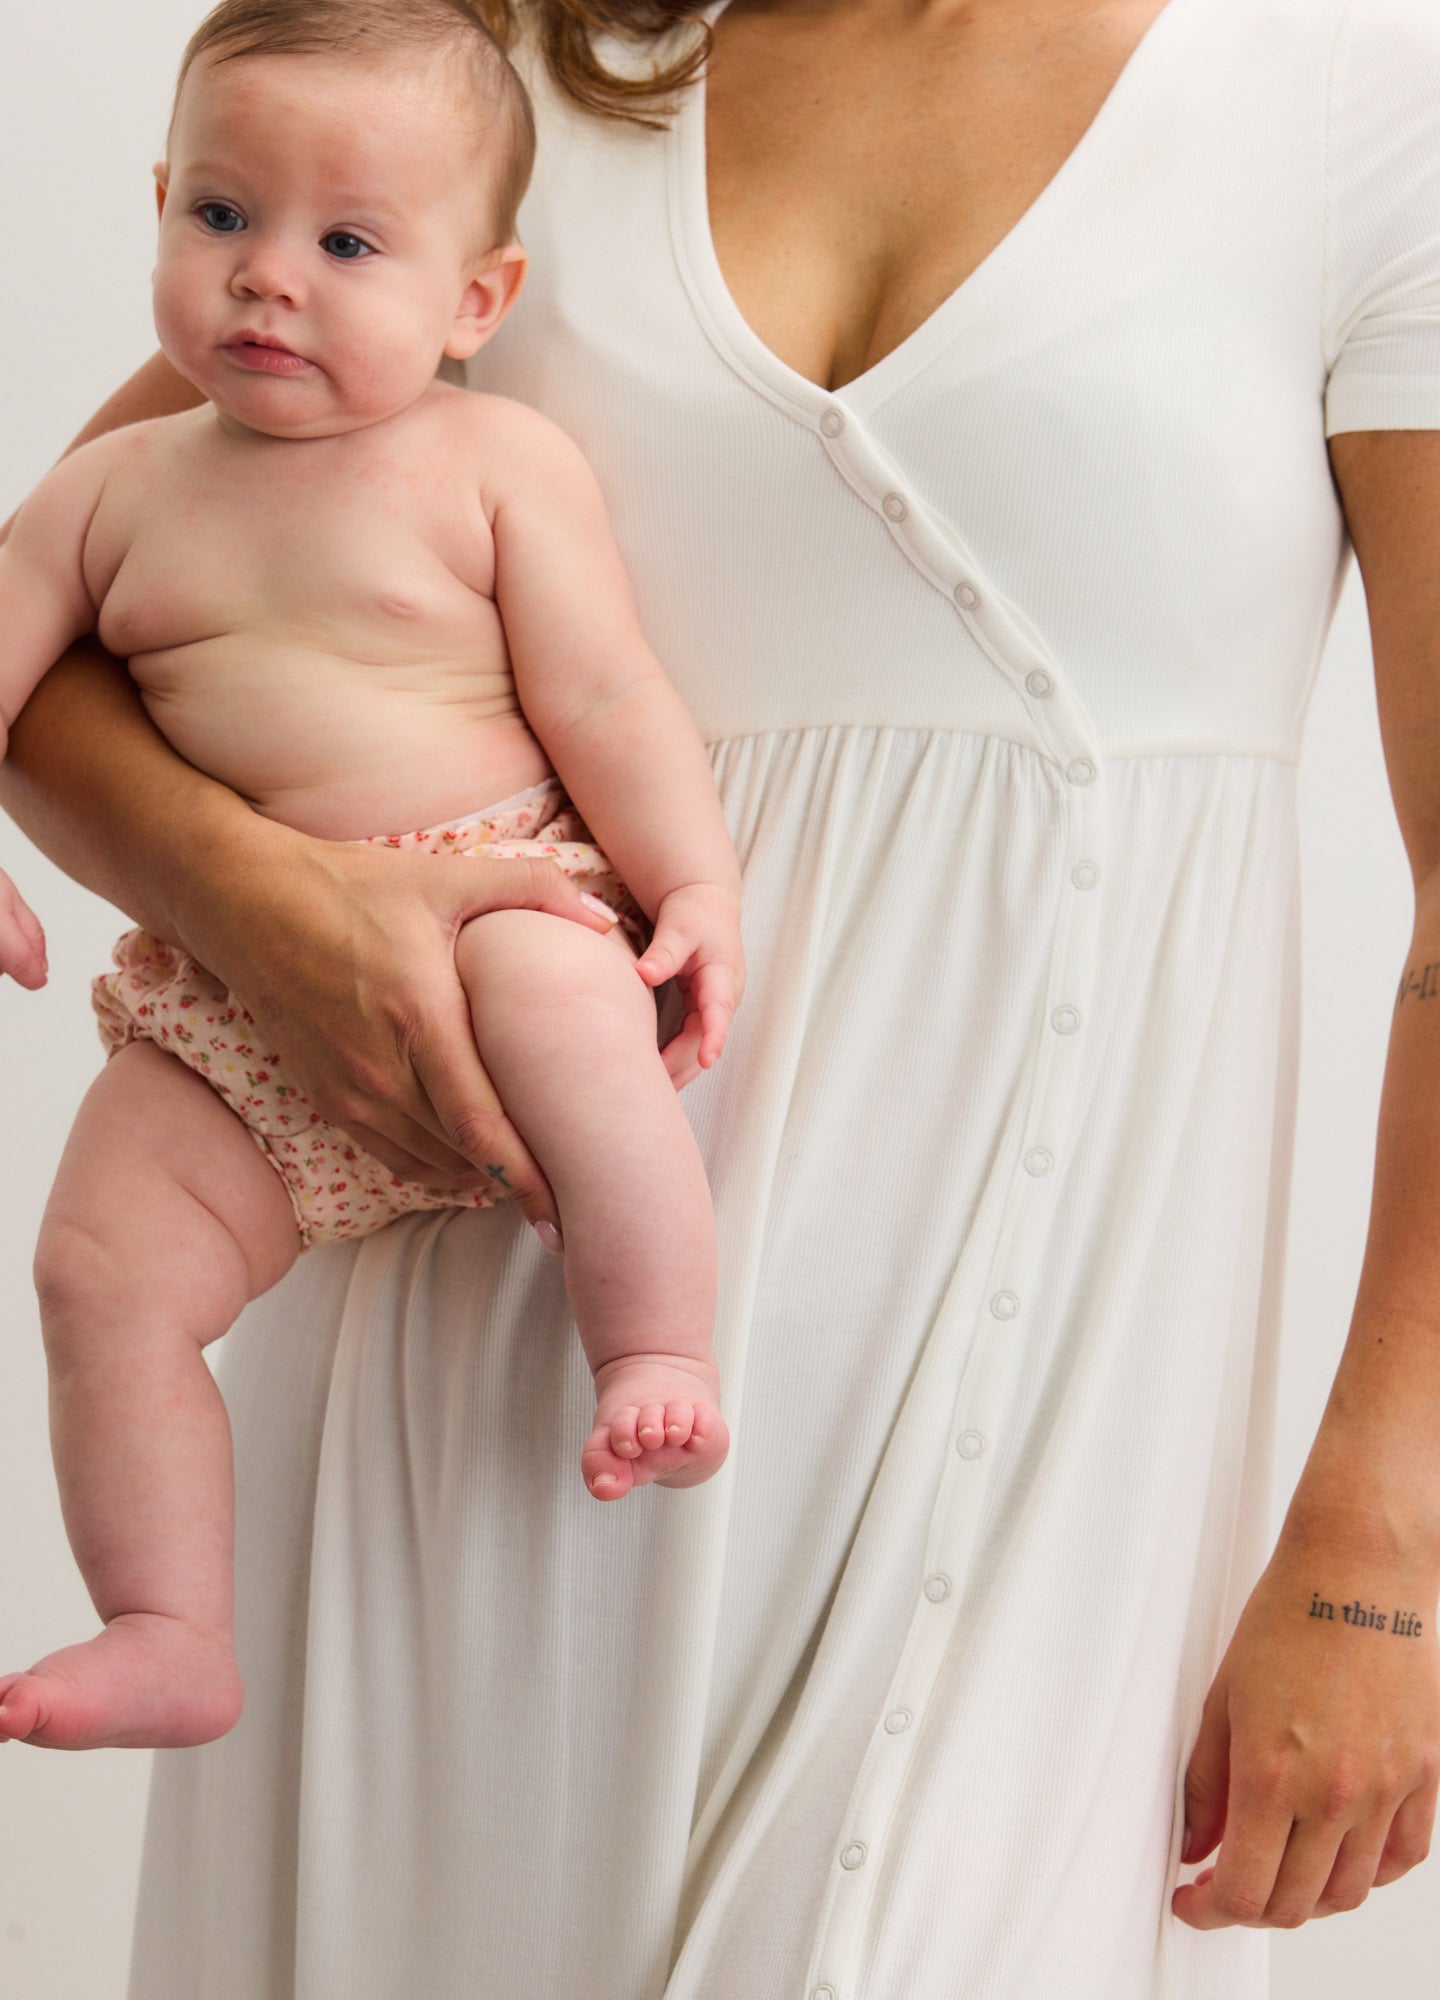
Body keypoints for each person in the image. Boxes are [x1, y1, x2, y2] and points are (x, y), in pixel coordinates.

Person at [3, 0, 1439, 1991]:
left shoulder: (1356, 93)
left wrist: (1389, 1553)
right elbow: (84, 602)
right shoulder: (499, 67)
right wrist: (270, 905)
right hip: (466, 1364)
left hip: (1026, 1420)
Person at [0, 0, 741, 1756]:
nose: (271, 280)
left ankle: (651, 1347)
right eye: (224, 218)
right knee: (98, 1269)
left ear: (477, 300)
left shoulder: (493, 464)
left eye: (348, 244)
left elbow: (610, 695)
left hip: (486, 894)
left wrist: (689, 883)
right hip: (233, 1002)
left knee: (573, 1005)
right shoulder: (109, 495)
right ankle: (171, 1623)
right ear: (160, 200)